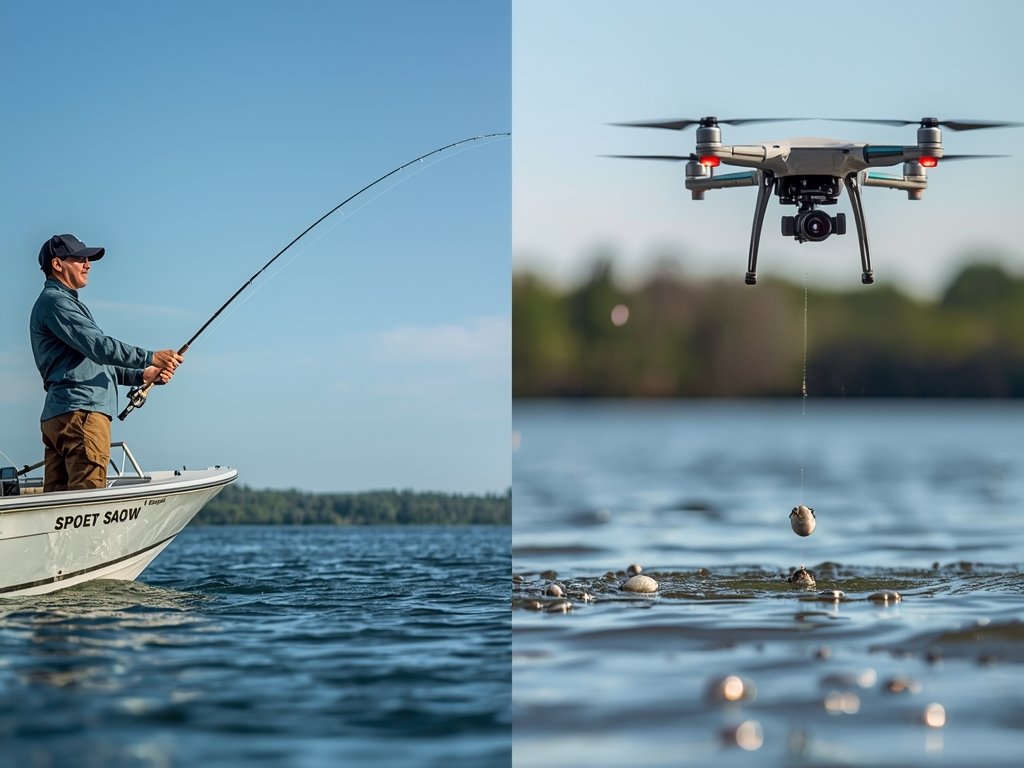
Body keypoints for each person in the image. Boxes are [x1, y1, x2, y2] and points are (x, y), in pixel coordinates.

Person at [30, 233, 184, 493]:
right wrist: (150, 356)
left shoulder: (61, 304)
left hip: (64, 413)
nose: (87, 264)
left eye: (88, 259)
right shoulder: (57, 303)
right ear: (57, 264)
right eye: (79, 258)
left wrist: (144, 374)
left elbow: (94, 359)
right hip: (82, 414)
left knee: (57, 505)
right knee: (86, 499)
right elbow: (100, 347)